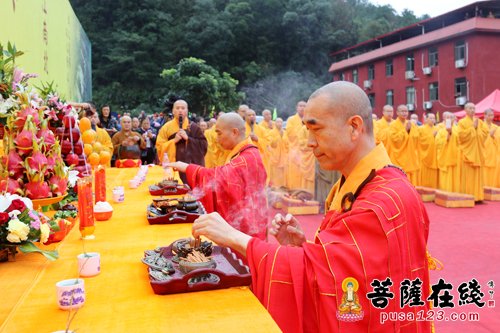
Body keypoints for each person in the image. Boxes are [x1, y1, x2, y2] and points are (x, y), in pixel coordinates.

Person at [192, 82, 431, 333]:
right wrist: (307, 248)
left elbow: (346, 288)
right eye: (307, 130)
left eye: (316, 130)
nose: (309, 142)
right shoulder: (363, 180)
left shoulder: (383, 200)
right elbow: (352, 269)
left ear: (354, 127)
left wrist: (235, 238)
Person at [166, 113, 267, 240]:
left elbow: (220, 177)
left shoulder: (247, 158)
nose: (217, 139)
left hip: (247, 227)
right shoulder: (245, 152)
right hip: (250, 220)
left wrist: (187, 168)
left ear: (234, 132)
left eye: (219, 133)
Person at [156, 99, 208, 183]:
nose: (180, 110)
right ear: (173, 111)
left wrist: (188, 139)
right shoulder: (166, 128)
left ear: (187, 111)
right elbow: (159, 148)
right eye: (177, 108)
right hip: (173, 168)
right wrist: (173, 141)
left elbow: (204, 146)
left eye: (183, 108)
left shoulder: (194, 127)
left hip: (190, 166)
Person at [457, 102, 488, 201]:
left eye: (474, 108)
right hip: (468, 153)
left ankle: (478, 196)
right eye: (470, 108)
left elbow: (484, 134)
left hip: (477, 153)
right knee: (468, 176)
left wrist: (476, 129)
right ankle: (468, 196)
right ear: (465, 110)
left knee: (478, 175)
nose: (472, 110)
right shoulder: (461, 122)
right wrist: (472, 128)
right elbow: (461, 136)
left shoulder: (480, 122)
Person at [387, 104, 420, 186]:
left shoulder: (410, 124)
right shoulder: (393, 125)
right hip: (398, 157)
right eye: (402, 111)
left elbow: (416, 137)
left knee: (410, 182)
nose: (405, 113)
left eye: (406, 111)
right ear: (397, 112)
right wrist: (405, 130)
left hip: (409, 156)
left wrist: (409, 131)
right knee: (399, 180)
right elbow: (394, 140)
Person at [284, 100, 307, 189]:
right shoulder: (291, 119)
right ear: (296, 108)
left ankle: (304, 191)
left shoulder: (308, 119)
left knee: (304, 173)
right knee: (294, 172)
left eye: (304, 106)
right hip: (295, 150)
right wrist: (302, 131)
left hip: (306, 152)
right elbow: (290, 134)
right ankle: (293, 190)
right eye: (300, 106)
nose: (302, 108)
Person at [435, 112, 461, 192]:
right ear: (445, 119)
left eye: (451, 117)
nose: (450, 119)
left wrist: (451, 133)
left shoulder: (459, 130)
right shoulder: (441, 131)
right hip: (445, 157)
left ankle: (457, 193)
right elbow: (437, 143)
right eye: (448, 118)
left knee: (457, 176)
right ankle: (445, 192)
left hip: (456, 157)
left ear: (455, 119)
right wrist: (447, 137)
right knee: (446, 176)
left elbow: (462, 142)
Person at [418, 112, 438, 188]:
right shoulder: (421, 129)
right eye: (431, 118)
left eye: (434, 118)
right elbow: (421, 141)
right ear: (426, 119)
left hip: (434, 155)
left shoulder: (437, 129)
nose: (432, 120)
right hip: (425, 155)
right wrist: (431, 136)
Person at [483, 108, 499, 187]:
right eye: (489, 115)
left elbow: (498, 140)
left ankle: (492, 187)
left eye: (492, 115)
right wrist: (489, 135)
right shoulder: (481, 126)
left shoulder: (496, 127)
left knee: (493, 171)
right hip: (484, 152)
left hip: (493, 152)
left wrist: (493, 136)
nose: (490, 117)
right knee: (484, 171)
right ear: (484, 115)